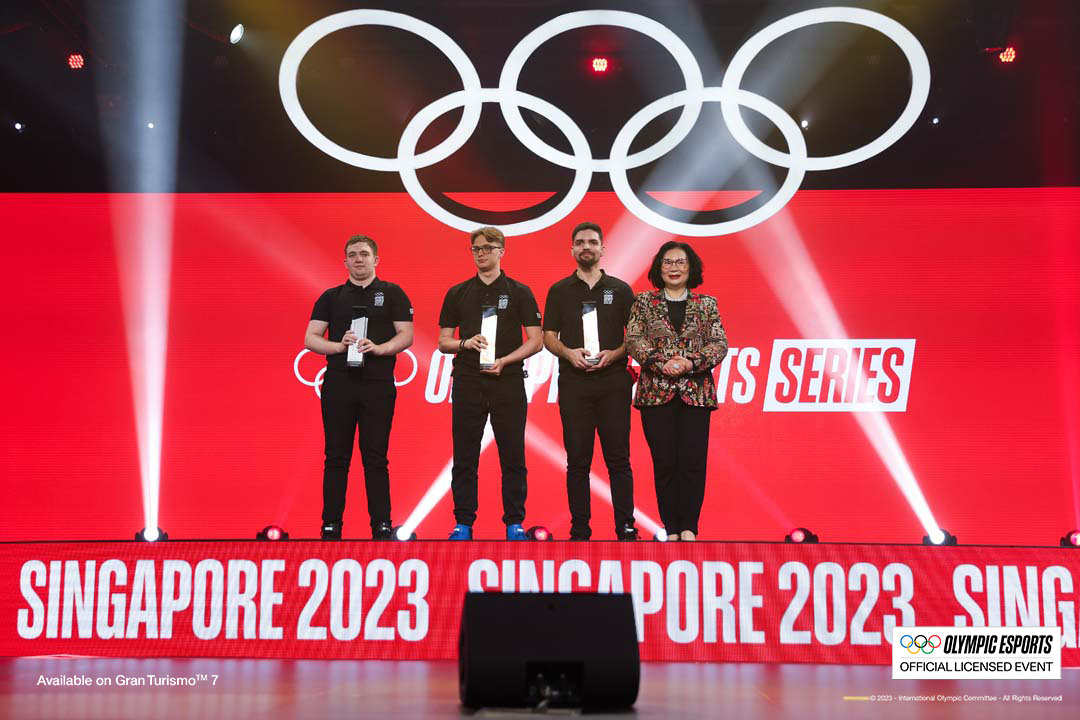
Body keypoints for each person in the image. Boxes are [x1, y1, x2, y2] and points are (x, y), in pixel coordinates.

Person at [305, 235, 414, 540]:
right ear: (345, 262)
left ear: (375, 259)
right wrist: (338, 346)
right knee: (336, 456)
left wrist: (380, 348)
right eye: (352, 254)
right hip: (339, 382)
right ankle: (331, 524)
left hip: (377, 383)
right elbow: (311, 338)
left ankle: (381, 524)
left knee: (376, 456)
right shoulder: (331, 297)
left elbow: (406, 335)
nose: (358, 259)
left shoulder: (392, 293)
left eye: (364, 254)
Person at [438, 227, 543, 540]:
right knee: (464, 455)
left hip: (507, 380)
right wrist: (465, 343)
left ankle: (514, 523)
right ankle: (463, 523)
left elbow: (536, 341)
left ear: (501, 251)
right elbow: (444, 341)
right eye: (476, 248)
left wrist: (505, 361)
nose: (481, 253)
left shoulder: (519, 291)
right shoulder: (458, 292)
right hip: (468, 379)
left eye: (487, 248)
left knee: (513, 455)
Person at [625, 241, 728, 542]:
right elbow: (634, 339)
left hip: (696, 394)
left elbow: (719, 343)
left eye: (680, 262)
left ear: (690, 267)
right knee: (665, 462)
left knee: (693, 462)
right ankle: (671, 528)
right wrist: (662, 363)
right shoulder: (644, 302)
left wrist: (690, 362)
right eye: (668, 262)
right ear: (659, 268)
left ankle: (689, 528)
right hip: (656, 394)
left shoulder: (706, 304)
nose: (674, 268)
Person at [543, 221, 638, 541]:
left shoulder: (621, 290)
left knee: (619, 459)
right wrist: (568, 353)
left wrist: (615, 353)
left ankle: (626, 527)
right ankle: (580, 530)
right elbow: (548, 336)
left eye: (593, 242)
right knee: (577, 461)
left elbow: (635, 337)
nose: (587, 247)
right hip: (574, 382)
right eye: (581, 242)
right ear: (572, 249)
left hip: (613, 381)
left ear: (602, 249)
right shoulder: (559, 291)